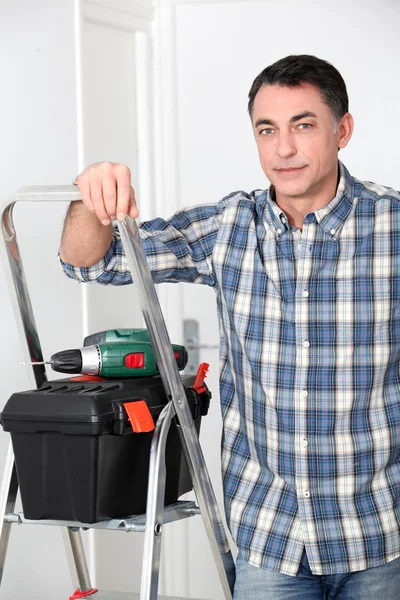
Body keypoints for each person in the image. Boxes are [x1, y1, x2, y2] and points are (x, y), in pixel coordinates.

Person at [59, 55, 400, 599]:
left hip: (381, 538)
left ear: (344, 130)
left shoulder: (393, 226)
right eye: (267, 130)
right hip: (269, 538)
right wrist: (89, 194)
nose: (283, 149)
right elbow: (91, 263)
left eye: (303, 125)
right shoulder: (226, 227)